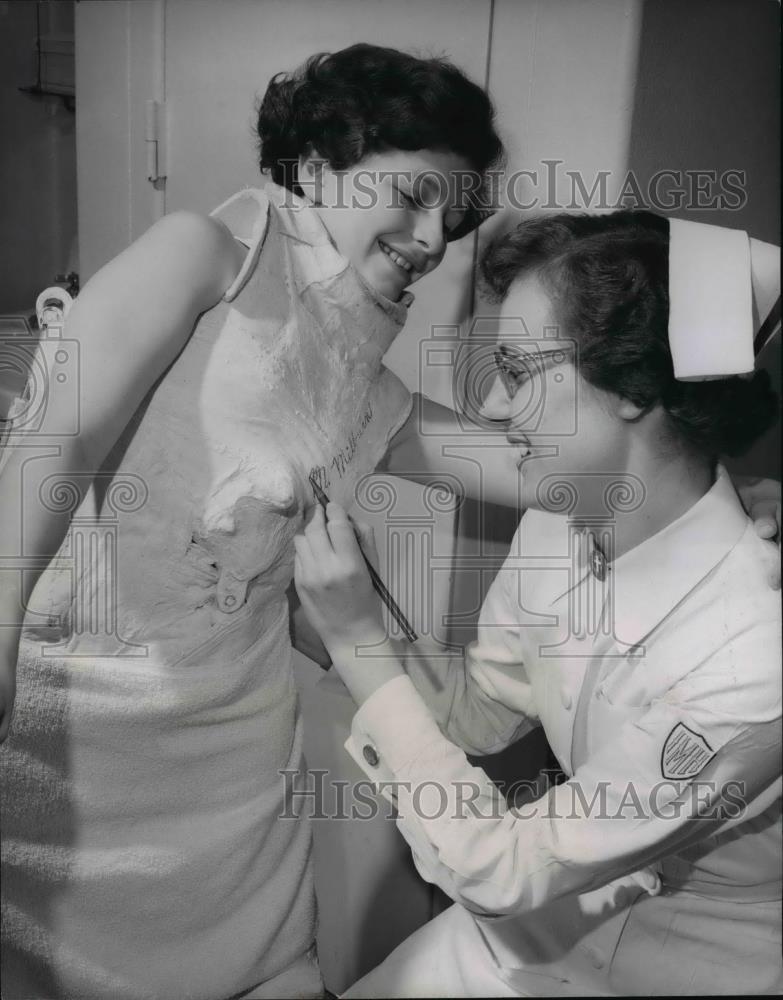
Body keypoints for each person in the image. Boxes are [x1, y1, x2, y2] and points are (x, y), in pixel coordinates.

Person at [0, 44, 503, 1000]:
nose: (438, 240)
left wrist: (709, 482)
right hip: (85, 749)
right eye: (418, 194)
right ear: (316, 163)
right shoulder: (201, 255)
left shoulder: (363, 376)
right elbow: (47, 443)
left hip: (234, 781)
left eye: (458, 216)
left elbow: (536, 464)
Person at [293, 210, 782, 996]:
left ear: (630, 386)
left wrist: (359, 644)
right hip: (548, 920)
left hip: (697, 963)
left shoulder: (754, 654)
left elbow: (498, 867)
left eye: (518, 371)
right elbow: (482, 715)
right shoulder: (559, 522)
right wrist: (351, 614)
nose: (491, 406)